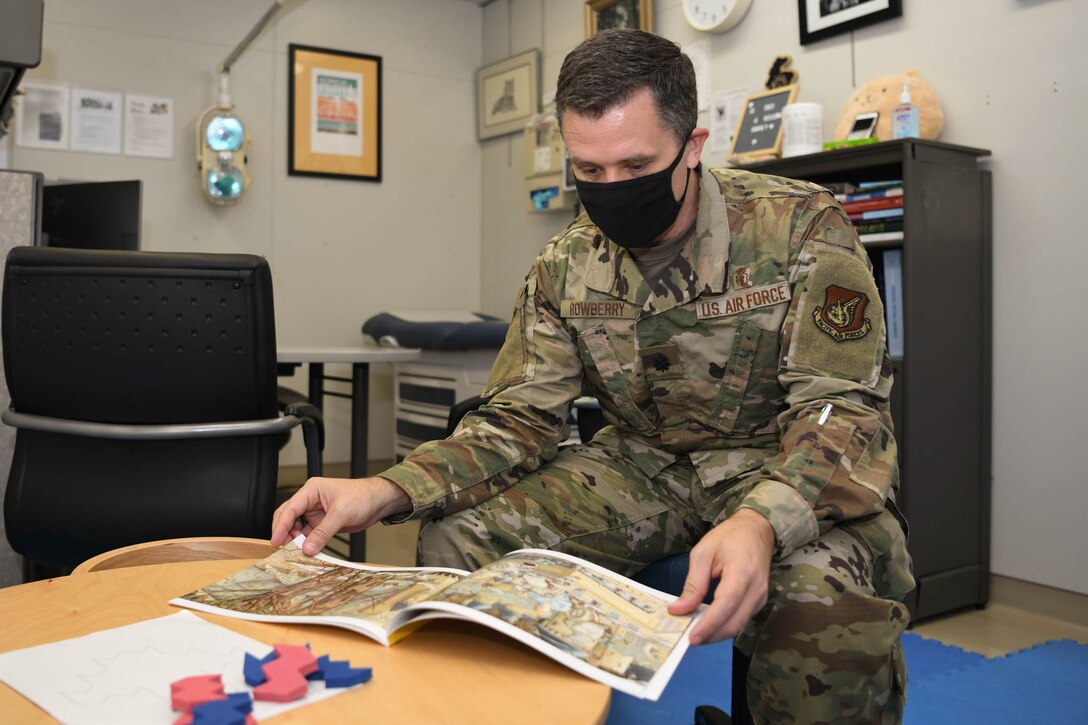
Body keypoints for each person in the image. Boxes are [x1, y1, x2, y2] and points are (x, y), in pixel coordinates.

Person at [273, 28, 913, 723]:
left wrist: (763, 519)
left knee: (821, 597)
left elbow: (845, 412)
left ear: (693, 147)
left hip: (781, 466)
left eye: (634, 165)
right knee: (458, 536)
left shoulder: (799, 228)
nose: (611, 192)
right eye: (590, 172)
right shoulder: (564, 262)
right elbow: (517, 417)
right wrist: (385, 488)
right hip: (641, 467)